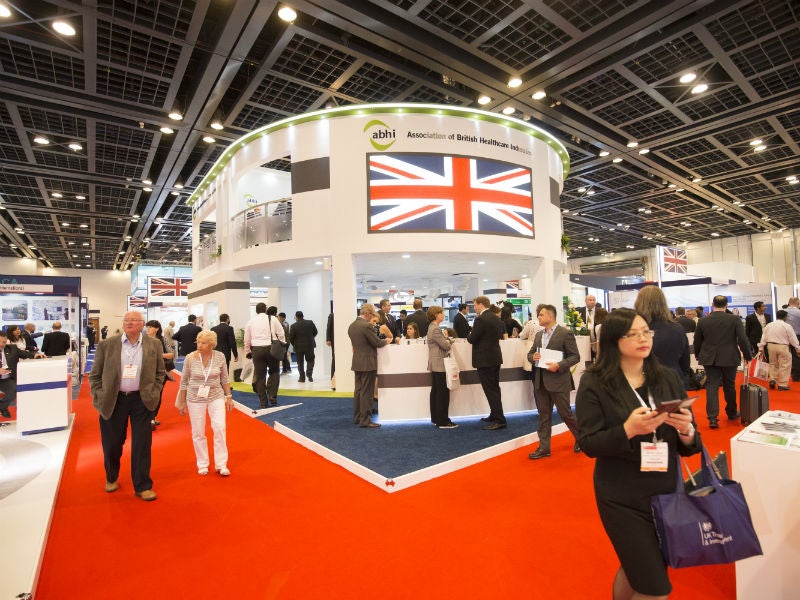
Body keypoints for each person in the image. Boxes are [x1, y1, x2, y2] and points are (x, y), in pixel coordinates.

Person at [576, 308, 700, 599]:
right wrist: (628, 430)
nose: (643, 339)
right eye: (633, 334)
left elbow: (689, 441)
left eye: (646, 332)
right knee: (655, 586)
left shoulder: (666, 377)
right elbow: (589, 443)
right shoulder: (594, 382)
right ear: (613, 340)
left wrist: (687, 430)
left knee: (640, 568)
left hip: (666, 491)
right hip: (622, 495)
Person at [88, 311, 165, 501]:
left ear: (142, 324)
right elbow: (95, 375)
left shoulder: (154, 344)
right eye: (126, 320)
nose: (129, 323)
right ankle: (111, 477)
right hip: (114, 400)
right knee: (112, 443)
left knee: (142, 444)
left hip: (142, 400)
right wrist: (99, 395)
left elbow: (160, 372)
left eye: (134, 320)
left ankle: (143, 485)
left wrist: (155, 391)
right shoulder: (107, 344)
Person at [175, 330, 234, 476]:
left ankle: (221, 464)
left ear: (211, 345)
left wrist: (229, 396)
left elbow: (224, 378)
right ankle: (202, 463)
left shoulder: (220, 356)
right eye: (198, 342)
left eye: (203, 343)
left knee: (220, 428)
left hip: (216, 395)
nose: (199, 345)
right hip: (195, 397)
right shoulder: (190, 358)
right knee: (198, 432)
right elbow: (184, 381)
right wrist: (182, 402)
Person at [527, 304, 581, 459]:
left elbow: (575, 356)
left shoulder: (565, 333)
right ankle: (544, 448)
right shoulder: (539, 335)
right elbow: (530, 354)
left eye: (541, 315)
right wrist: (532, 357)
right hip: (540, 381)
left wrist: (559, 365)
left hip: (559, 381)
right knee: (543, 415)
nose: (538, 317)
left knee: (565, 413)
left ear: (550, 317)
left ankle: (582, 438)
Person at [693, 295, 752, 428]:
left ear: (713, 304)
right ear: (726, 305)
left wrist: (698, 355)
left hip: (709, 357)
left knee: (711, 386)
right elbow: (742, 339)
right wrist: (748, 355)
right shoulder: (734, 319)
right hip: (729, 357)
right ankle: (731, 412)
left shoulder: (703, 320)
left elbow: (697, 340)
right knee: (729, 385)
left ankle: (712, 418)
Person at [634, 286, 691, 389]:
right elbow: (685, 361)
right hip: (674, 381)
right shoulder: (677, 329)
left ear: (638, 303)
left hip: (643, 383)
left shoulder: (633, 330)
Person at [468, 295, 506, 430]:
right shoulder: (495, 318)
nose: (474, 308)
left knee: (490, 390)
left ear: (481, 305)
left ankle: (499, 420)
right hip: (494, 358)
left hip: (485, 360)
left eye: (475, 305)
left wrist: (470, 333)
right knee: (494, 388)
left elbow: (472, 339)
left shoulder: (480, 319)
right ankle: (495, 415)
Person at [348, 303, 387, 428]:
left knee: (358, 391)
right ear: (367, 313)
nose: (372, 317)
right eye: (372, 314)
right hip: (368, 363)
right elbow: (376, 342)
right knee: (367, 392)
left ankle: (358, 417)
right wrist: (386, 341)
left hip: (357, 361)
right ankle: (365, 420)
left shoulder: (352, 326)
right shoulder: (366, 326)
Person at [243, 303, 285, 408]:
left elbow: (247, 339)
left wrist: (247, 351)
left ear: (256, 311)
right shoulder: (273, 319)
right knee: (274, 372)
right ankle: (272, 396)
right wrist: (282, 344)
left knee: (260, 376)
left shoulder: (250, 321)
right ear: (265, 310)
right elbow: (281, 333)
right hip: (271, 348)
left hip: (257, 350)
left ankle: (263, 402)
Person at [0, 330, 43, 418]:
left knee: (13, 389)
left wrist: (35, 355)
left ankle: (2, 407)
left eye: (4, 342)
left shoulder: (12, 348)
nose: (1, 344)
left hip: (6, 379)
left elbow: (24, 354)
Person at [426, 305, 456, 428]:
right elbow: (446, 346)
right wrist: (449, 341)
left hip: (436, 363)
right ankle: (443, 421)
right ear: (435, 315)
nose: (443, 315)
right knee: (442, 393)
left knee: (436, 392)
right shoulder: (435, 329)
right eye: (441, 313)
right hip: (439, 364)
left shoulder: (433, 327)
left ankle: (437, 418)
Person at [758, 310, 800, 391]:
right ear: (785, 317)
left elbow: (763, 337)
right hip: (783, 346)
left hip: (771, 346)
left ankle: (772, 379)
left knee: (773, 364)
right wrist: (798, 349)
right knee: (785, 365)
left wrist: (761, 347)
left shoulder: (769, 325)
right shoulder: (787, 326)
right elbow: (793, 339)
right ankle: (782, 384)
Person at [145, 320, 174, 430]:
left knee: (157, 395)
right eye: (147, 327)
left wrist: (158, 355)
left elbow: (171, 354)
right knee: (146, 395)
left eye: (150, 327)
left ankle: (152, 417)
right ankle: (147, 417)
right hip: (145, 372)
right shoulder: (142, 339)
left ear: (157, 329)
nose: (148, 329)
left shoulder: (163, 340)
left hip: (160, 372)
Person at [289, 311, 318, 382]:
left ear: (296, 317)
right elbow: (315, 332)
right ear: (303, 316)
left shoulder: (293, 326)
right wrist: (310, 338)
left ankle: (302, 378)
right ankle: (309, 374)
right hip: (309, 345)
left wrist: (294, 343)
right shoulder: (310, 322)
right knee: (310, 360)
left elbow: (291, 338)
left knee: (300, 363)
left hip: (298, 346)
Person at [782, 297, 800, 382]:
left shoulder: (782, 312)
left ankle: (788, 376)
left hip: (784, 338)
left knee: (786, 357)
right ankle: (796, 376)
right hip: (797, 337)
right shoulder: (798, 312)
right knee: (797, 356)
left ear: (788, 303)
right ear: (798, 303)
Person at [326, 312, 335, 384]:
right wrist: (328, 339)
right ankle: (333, 379)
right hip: (334, 340)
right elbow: (328, 328)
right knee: (334, 359)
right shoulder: (332, 315)